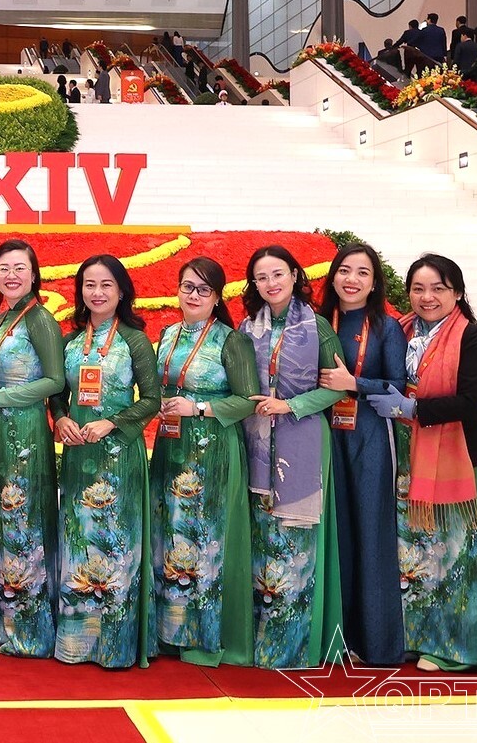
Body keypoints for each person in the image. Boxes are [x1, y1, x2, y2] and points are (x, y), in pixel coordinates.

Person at [368, 255, 477, 673]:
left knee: (451, 553)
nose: (427, 297)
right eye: (418, 288)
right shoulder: (400, 331)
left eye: (438, 288)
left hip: (454, 455)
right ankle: (410, 638)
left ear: (456, 292)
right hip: (406, 456)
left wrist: (413, 407)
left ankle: (451, 648)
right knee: (411, 553)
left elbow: (472, 402)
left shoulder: (472, 337)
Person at [239, 245, 345, 669]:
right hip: (257, 444)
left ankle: (295, 645)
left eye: (278, 274)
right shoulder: (247, 329)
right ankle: (261, 639)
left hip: (303, 439)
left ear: (295, 275)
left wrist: (290, 405)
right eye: (262, 277)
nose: (271, 283)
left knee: (296, 540)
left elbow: (338, 387)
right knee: (262, 537)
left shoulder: (317, 326)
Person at [148, 256, 258, 667]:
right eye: (187, 287)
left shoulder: (231, 341)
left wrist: (198, 408)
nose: (193, 295)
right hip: (171, 447)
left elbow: (248, 400)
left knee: (203, 538)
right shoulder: (168, 333)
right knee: (168, 534)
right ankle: (169, 631)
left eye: (203, 289)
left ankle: (201, 636)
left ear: (217, 297)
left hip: (212, 449)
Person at [52, 255, 160, 668]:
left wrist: (112, 423)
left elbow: (152, 400)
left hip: (118, 456)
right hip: (78, 454)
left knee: (115, 544)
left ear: (121, 291)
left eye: (106, 285)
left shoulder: (135, 341)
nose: (97, 293)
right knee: (79, 540)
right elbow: (58, 393)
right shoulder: (69, 342)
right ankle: (76, 641)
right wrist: (61, 418)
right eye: (89, 285)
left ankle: (116, 645)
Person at [0, 239, 64, 657]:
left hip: (24, 431)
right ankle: (4, 622)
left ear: (34, 274)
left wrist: (1, 396)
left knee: (23, 523)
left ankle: (31, 630)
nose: (11, 275)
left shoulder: (40, 318)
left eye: (19, 268)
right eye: (3, 268)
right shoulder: (4, 316)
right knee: (3, 522)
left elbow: (55, 381)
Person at [314, 243, 407, 666]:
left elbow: (398, 387)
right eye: (345, 270)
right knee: (335, 532)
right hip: (323, 437)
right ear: (333, 276)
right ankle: (334, 637)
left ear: (374, 283)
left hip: (369, 438)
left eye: (362, 273)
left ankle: (376, 642)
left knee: (371, 532)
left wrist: (354, 383)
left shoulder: (386, 327)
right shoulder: (316, 324)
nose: (352, 279)